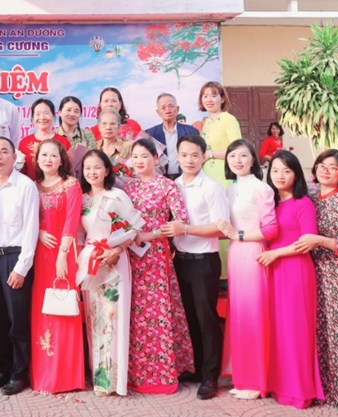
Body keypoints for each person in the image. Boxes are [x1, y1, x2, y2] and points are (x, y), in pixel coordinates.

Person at [122, 139, 195, 394]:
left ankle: (162, 375)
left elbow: (180, 221)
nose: (140, 161)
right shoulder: (128, 187)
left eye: (145, 156)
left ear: (155, 158)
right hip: (131, 256)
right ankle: (134, 374)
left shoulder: (167, 186)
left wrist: (152, 235)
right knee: (135, 313)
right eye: (135, 156)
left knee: (157, 312)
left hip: (155, 257)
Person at [159, 135, 228, 400]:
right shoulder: (173, 186)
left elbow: (221, 229)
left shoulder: (211, 187)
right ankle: (197, 368)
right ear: (177, 157)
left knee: (206, 319)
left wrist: (186, 229)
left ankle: (210, 376)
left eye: (195, 155)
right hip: (181, 260)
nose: (189, 160)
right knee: (188, 318)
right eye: (184, 155)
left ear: (203, 156)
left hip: (204, 262)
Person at [291, 149, 338, 410]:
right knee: (320, 331)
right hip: (314, 271)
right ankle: (324, 389)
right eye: (321, 165)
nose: (325, 170)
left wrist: (320, 241)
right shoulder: (311, 199)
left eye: (333, 167)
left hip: (337, 273)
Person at [258, 150, 323, 409]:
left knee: (296, 331)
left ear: (296, 174)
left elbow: (307, 241)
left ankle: (300, 391)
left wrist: (275, 254)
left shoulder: (302, 203)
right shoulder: (270, 204)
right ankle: (279, 385)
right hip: (273, 270)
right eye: (275, 170)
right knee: (278, 330)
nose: (280, 176)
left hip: (296, 271)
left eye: (286, 171)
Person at [77, 150, 144, 396]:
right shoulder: (82, 199)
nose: (92, 172)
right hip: (92, 262)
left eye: (97, 167)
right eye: (87, 168)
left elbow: (133, 229)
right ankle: (100, 380)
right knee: (95, 318)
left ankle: (116, 380)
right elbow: (79, 235)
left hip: (116, 261)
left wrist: (116, 248)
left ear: (106, 170)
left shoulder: (117, 196)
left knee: (114, 317)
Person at [216, 139, 277, 401]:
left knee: (254, 314)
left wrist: (238, 235)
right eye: (232, 156)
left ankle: (257, 380)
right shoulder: (229, 190)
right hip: (235, 255)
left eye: (243, 156)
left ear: (253, 159)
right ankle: (241, 375)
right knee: (239, 314)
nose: (237, 161)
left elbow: (270, 229)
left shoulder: (261, 189)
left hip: (253, 253)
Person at [0, 137, 39, 396]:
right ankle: (2, 369)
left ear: (14, 157)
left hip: (15, 258)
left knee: (17, 319)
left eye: (4, 151)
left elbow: (31, 228)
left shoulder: (25, 186)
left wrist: (21, 267)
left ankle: (19, 373)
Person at [29, 139, 85, 394]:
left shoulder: (71, 185)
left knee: (64, 308)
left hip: (64, 252)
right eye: (44, 155)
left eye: (53, 155)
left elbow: (72, 220)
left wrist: (63, 254)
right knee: (43, 309)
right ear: (37, 159)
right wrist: (39, 232)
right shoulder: (33, 186)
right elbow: (29, 218)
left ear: (62, 160)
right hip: (41, 253)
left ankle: (65, 377)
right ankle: (44, 375)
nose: (48, 159)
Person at [143, 93, 200, 179]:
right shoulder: (150, 134)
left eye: (171, 106)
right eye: (163, 108)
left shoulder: (191, 131)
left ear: (177, 109)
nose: (168, 110)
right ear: (158, 112)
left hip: (187, 178)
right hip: (160, 180)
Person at [198, 82, 241, 187]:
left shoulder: (229, 119)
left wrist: (210, 154)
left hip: (224, 176)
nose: (209, 100)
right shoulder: (206, 122)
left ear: (222, 99)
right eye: (205, 96)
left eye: (213, 96)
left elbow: (238, 150)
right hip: (206, 176)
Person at [18, 99, 71, 179]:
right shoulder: (24, 142)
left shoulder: (63, 142)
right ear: (32, 117)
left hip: (57, 185)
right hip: (30, 185)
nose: (42, 117)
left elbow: (68, 170)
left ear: (53, 116)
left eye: (46, 113)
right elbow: (21, 172)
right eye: (38, 114)